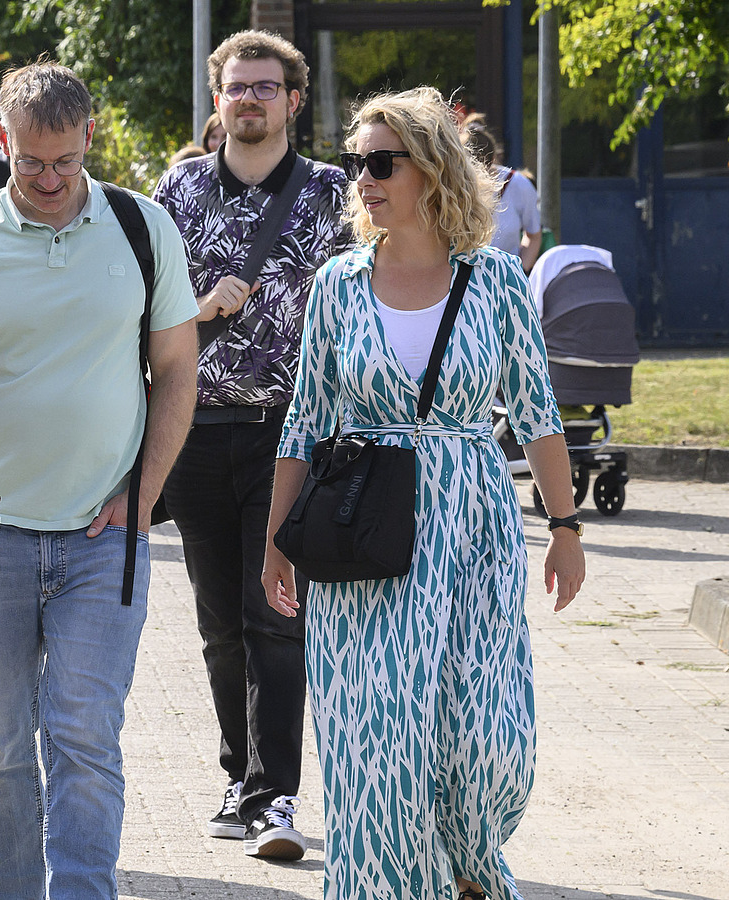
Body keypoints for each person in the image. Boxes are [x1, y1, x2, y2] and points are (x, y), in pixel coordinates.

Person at [260, 86, 585, 899]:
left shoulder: (497, 282)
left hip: (472, 520)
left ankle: (468, 862)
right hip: (364, 526)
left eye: (381, 162)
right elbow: (305, 421)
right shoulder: (337, 283)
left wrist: (566, 525)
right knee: (383, 740)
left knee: (487, 737)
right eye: (355, 162)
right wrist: (276, 541)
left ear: (432, 169)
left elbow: (540, 414)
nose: (362, 178)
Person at [0, 62, 200, 900]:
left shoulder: (142, 228)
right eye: (29, 161)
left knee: (83, 736)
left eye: (64, 162)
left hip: (107, 535)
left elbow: (177, 371)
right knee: (0, 743)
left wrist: (144, 492)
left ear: (90, 141)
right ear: (2, 141)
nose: (46, 179)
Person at [150, 29, 350, 861]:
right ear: (217, 97)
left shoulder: (336, 193)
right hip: (196, 430)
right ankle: (239, 776)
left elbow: (357, 310)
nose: (251, 99)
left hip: (292, 436)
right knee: (218, 622)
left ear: (294, 101)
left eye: (267, 87)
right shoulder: (178, 189)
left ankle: (277, 797)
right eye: (238, 87)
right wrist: (199, 306)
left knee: (276, 617)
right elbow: (146, 308)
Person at [463, 115, 542, 272]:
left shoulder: (518, 184)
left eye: (482, 170)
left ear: (492, 160)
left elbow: (534, 235)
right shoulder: (450, 185)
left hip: (505, 278)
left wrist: (519, 272)